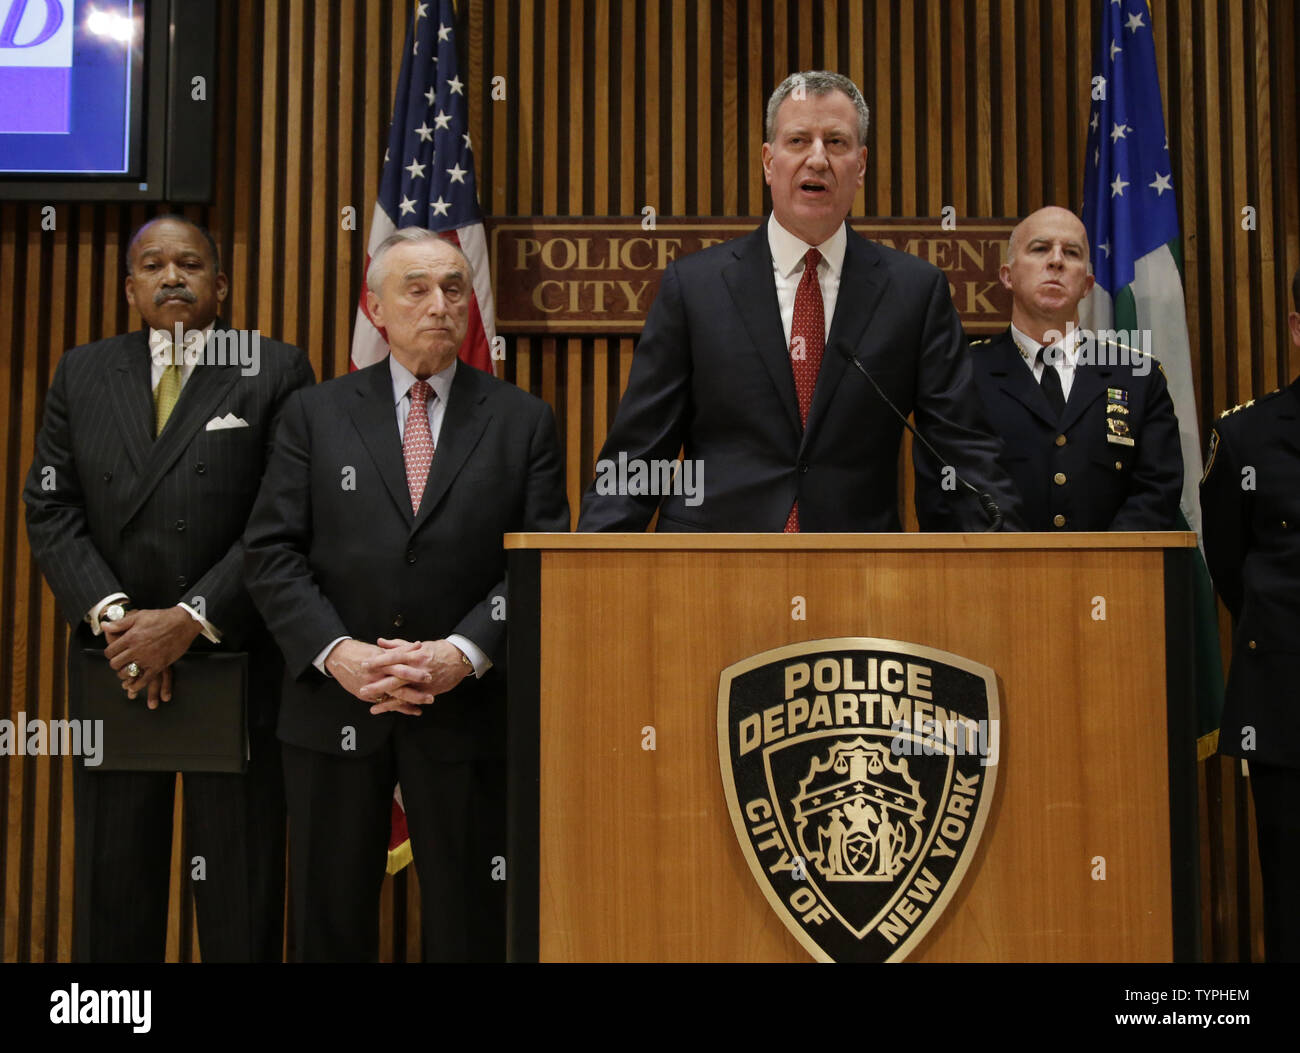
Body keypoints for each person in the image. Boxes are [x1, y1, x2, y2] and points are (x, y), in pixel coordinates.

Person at [242, 227, 569, 962]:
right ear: (375, 307)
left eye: (454, 287)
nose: (440, 305)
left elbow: (538, 563)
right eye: (416, 289)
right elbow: (270, 552)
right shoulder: (313, 415)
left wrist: (461, 652)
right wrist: (339, 653)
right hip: (335, 710)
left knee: (471, 924)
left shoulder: (523, 421)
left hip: (467, 713)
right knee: (328, 925)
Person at [22, 215, 314, 962]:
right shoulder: (82, 371)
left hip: (231, 654)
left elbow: (283, 518)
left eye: (190, 263)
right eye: (153, 264)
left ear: (221, 284)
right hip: (115, 659)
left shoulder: (272, 369)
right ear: (131, 288)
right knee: (115, 881)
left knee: (239, 886)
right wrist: (121, 621)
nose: (172, 275)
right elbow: (51, 504)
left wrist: (190, 617)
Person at [576, 70, 1021, 533]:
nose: (818, 158)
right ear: (768, 161)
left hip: (860, 576)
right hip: (712, 576)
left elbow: (961, 452)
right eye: (798, 141)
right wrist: (589, 573)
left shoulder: (914, 291)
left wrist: (1004, 560)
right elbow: (638, 456)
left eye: (836, 142)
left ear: (861, 164)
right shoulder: (694, 288)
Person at [952, 206, 1183, 530]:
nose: (1056, 261)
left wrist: (1101, 568)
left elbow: (1156, 493)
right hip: (998, 575)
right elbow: (951, 490)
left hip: (1113, 576)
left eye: (1071, 253)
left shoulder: (1138, 376)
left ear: (1087, 284)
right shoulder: (963, 375)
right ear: (1007, 276)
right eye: (1040, 248)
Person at [1200, 267, 1300, 962]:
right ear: (1296, 328)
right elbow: (1231, 566)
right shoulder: (1248, 436)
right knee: (1292, 902)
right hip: (1287, 703)